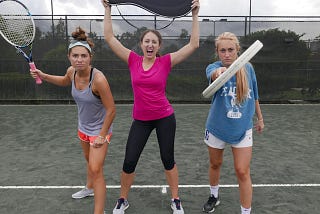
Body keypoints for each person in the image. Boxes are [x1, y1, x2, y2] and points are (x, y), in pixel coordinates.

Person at [101, 0, 199, 213]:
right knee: (129, 161)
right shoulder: (133, 60)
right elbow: (109, 37)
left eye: (154, 42)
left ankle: (175, 199)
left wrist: (194, 15)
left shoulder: (165, 62)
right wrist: (107, 9)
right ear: (141, 44)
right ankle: (122, 199)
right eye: (147, 41)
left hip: (165, 118)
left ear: (159, 46)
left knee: (168, 159)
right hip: (141, 120)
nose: (150, 45)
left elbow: (193, 45)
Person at [30, 27, 116, 214]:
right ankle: (89, 188)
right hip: (83, 127)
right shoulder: (72, 72)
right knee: (88, 160)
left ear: (90, 57)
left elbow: (111, 110)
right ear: (69, 57)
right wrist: (43, 76)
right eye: (75, 55)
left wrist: (102, 136)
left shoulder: (99, 79)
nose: (79, 59)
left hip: (99, 131)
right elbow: (63, 81)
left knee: (96, 168)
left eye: (83, 56)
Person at [202, 32, 264, 214]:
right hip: (216, 127)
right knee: (215, 164)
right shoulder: (213, 67)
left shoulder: (249, 69)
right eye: (223, 51)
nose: (227, 54)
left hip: (242, 128)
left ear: (238, 50)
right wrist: (220, 72)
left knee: (242, 171)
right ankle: (214, 196)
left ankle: (246, 211)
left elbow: (255, 96)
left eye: (230, 50)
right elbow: (213, 74)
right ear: (217, 52)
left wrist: (260, 118)